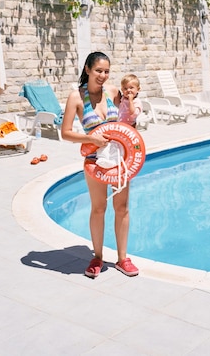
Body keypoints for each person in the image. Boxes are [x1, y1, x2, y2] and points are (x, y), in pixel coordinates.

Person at [61, 51, 139, 279]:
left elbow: (128, 118)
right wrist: (91, 139)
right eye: (98, 71)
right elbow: (65, 133)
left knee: (122, 208)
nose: (103, 75)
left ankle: (123, 258)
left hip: (120, 159)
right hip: (95, 160)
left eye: (106, 71)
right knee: (98, 208)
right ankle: (97, 257)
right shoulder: (76, 97)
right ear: (87, 69)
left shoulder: (113, 91)